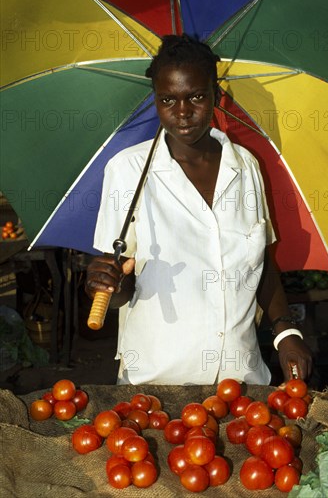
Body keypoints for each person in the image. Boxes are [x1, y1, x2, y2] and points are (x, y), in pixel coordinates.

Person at [85, 34, 312, 386]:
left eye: (196, 96)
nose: (183, 112)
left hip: (242, 379)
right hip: (157, 381)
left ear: (216, 96)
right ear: (155, 102)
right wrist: (108, 285)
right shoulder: (126, 171)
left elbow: (262, 263)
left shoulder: (246, 167)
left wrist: (286, 334)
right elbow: (119, 287)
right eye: (168, 100)